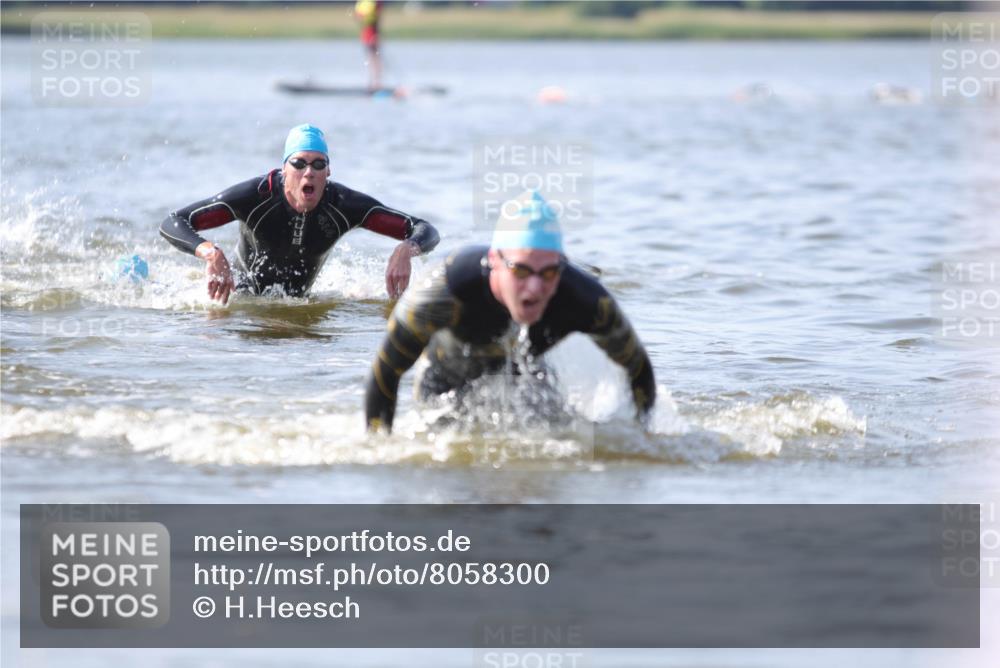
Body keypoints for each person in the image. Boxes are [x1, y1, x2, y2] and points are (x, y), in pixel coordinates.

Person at [365, 191, 656, 433]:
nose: (534, 288)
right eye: (522, 270)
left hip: (528, 377)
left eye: (550, 271)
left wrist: (642, 439)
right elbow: (385, 374)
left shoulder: (586, 300)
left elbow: (638, 368)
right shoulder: (446, 290)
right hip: (447, 383)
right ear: (494, 259)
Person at [159, 124, 439, 303]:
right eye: (300, 163)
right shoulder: (255, 197)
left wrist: (406, 249)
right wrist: (210, 253)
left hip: (299, 305)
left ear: (328, 172)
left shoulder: (343, 205)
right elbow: (173, 222)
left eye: (319, 164)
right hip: (240, 301)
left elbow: (424, 228)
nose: (309, 172)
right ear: (285, 169)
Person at [354, 0, 383, 91]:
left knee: (374, 57)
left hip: (371, 32)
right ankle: (373, 82)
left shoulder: (371, 3)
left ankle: (376, 84)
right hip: (367, 32)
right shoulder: (365, 3)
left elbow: (361, 17)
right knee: (371, 58)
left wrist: (376, 35)